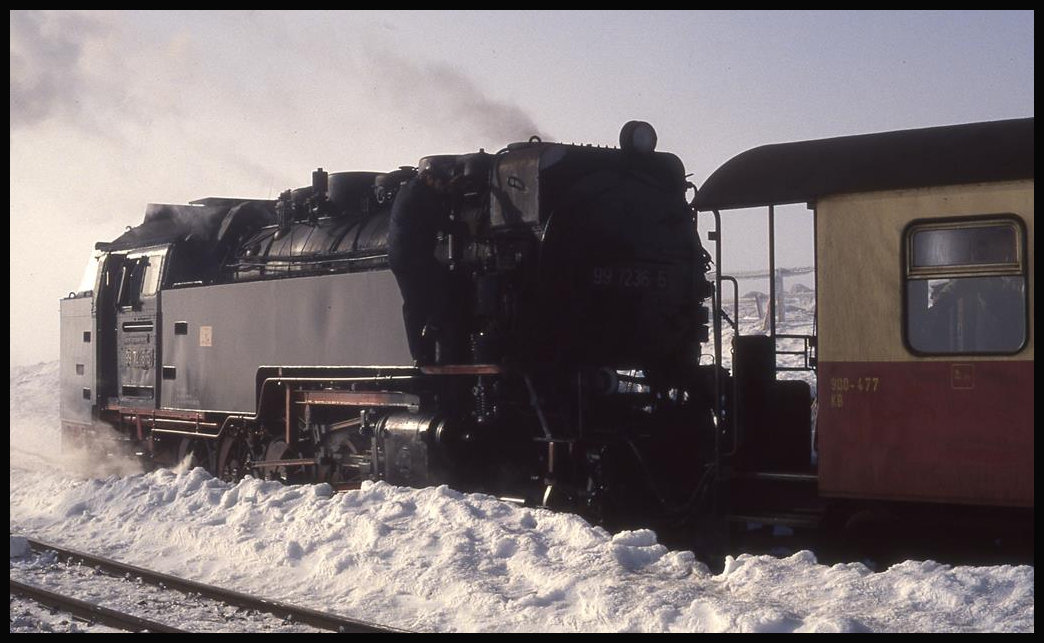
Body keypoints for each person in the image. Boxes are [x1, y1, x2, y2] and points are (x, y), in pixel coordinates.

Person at [387, 160, 460, 365]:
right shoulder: (418, 194)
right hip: (410, 257)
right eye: (441, 182)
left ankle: (424, 349)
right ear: (428, 178)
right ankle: (422, 350)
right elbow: (442, 222)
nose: (443, 187)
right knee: (422, 301)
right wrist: (468, 228)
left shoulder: (415, 190)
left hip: (412, 256)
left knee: (422, 301)